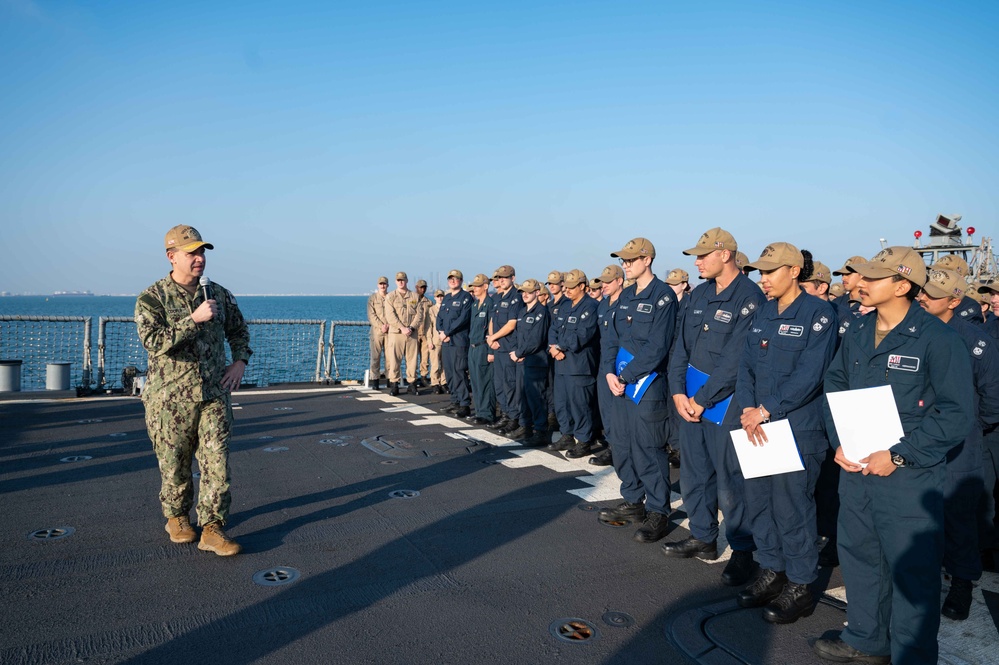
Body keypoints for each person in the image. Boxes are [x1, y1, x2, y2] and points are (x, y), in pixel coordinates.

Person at [813, 247, 973, 665]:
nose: (860, 283)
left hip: (908, 478)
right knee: (861, 558)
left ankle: (911, 656)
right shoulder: (859, 331)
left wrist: (901, 455)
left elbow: (957, 413)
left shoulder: (939, 339)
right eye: (860, 275)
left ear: (902, 285)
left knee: (911, 574)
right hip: (858, 469)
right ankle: (866, 639)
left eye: (872, 277)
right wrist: (839, 440)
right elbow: (835, 385)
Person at [734, 243, 838, 624]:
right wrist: (748, 408)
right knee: (760, 503)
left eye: (770, 272)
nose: (763, 279)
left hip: (795, 428)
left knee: (792, 508)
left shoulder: (818, 314)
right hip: (756, 425)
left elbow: (811, 375)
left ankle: (800, 584)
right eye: (760, 273)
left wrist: (765, 410)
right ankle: (772, 571)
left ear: (794, 271)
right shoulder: (762, 312)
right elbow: (745, 366)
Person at [136, 225, 252, 557]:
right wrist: (193, 319)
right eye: (192, 253)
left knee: (217, 462)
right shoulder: (152, 298)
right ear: (172, 257)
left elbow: (239, 330)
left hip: (213, 394)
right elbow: (153, 342)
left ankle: (213, 528)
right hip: (169, 400)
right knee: (175, 464)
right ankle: (176, 517)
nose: (199, 258)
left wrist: (240, 362)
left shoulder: (217, 293)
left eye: (202, 252)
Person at [664, 227, 765, 587]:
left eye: (703, 255)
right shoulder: (699, 294)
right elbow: (680, 346)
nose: (697, 261)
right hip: (689, 400)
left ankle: (742, 551)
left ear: (725, 254)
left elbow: (736, 359)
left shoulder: (749, 298)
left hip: (726, 402)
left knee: (731, 480)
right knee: (694, 470)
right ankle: (704, 536)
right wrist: (677, 392)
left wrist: (701, 399)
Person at [916, 268, 999, 620]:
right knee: (919, 512)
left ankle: (962, 583)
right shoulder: (911, 332)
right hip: (918, 436)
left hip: (961, 443)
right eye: (922, 292)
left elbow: (992, 397)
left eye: (932, 294)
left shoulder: (976, 341)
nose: (922, 297)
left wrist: (967, 428)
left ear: (954, 301)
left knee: (959, 515)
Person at [599, 237, 677, 544]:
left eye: (630, 260)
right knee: (623, 442)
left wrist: (627, 374)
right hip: (619, 382)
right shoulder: (625, 295)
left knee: (648, 446)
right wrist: (609, 371)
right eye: (623, 260)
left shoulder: (663, 296)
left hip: (648, 384)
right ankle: (633, 499)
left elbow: (658, 346)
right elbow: (611, 339)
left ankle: (658, 510)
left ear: (647, 260)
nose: (625, 265)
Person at [548, 269, 600, 458]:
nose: (567, 290)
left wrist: (560, 346)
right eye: (566, 287)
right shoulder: (565, 306)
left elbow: (582, 334)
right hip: (561, 364)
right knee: (562, 403)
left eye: (571, 287)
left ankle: (584, 440)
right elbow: (553, 328)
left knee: (580, 405)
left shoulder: (591, 306)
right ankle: (567, 434)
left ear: (582, 287)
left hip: (579, 365)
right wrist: (553, 347)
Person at [510, 279, 552, 445]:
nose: (525, 294)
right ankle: (525, 425)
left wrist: (520, 352)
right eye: (523, 292)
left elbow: (536, 339)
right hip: (523, 361)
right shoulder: (522, 312)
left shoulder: (541, 312)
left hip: (535, 361)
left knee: (536, 397)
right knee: (524, 395)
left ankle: (541, 431)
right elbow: (517, 335)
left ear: (537, 292)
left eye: (528, 291)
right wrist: (515, 351)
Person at [590, 264, 625, 467]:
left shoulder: (626, 303)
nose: (603, 285)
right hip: (605, 363)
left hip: (621, 364)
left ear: (619, 281)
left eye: (608, 281)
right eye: (602, 281)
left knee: (618, 410)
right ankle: (612, 446)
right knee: (606, 408)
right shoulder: (603, 306)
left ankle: (618, 449)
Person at [487, 265, 523, 434]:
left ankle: (514, 417)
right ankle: (505, 414)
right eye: (499, 277)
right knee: (499, 384)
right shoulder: (499, 298)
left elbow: (511, 324)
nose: (501, 280)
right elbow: (493, 321)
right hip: (498, 347)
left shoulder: (516, 297)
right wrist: (490, 338)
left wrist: (494, 338)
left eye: (505, 277)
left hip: (509, 347)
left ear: (513, 278)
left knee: (510, 385)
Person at [437, 270, 474, 418]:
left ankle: (464, 404)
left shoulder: (466, 298)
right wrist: (440, 331)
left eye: (456, 279)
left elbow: (463, 319)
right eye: (450, 279)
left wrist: (447, 332)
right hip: (446, 342)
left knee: (459, 371)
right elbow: (439, 317)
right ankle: (455, 400)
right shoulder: (446, 298)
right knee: (450, 372)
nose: (453, 281)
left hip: (458, 341)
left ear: (461, 280)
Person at [385, 272, 421, 396]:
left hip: (411, 333)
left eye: (403, 280)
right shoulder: (390, 297)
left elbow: (419, 314)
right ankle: (394, 384)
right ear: (396, 282)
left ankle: (412, 384)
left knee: (412, 360)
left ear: (406, 281)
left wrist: (411, 327)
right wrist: (402, 328)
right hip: (396, 333)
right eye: (398, 280)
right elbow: (390, 315)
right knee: (394, 359)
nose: (401, 282)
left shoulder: (415, 296)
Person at [467, 274, 496, 425]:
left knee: (485, 381)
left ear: (485, 286)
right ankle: (479, 411)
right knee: (476, 381)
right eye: (474, 286)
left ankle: (487, 413)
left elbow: (491, 328)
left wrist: (491, 351)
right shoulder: (475, 304)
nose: (475, 288)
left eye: (478, 286)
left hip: (484, 347)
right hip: (473, 347)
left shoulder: (490, 304)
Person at [367, 276, 390, 389]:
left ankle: (390, 379)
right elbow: (371, 315)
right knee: (375, 357)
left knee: (390, 357)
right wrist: (381, 326)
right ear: (378, 285)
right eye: (381, 284)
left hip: (390, 331)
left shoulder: (391, 297)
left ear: (387, 285)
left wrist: (389, 325)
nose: (382, 286)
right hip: (377, 332)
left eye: (384, 284)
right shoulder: (373, 298)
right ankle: (375, 380)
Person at [425, 290, 446, 393]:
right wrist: (429, 341)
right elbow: (428, 327)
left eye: (441, 296)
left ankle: (444, 381)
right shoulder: (431, 310)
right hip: (435, 340)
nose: (440, 298)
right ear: (435, 298)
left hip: (445, 340)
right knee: (435, 364)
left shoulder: (447, 309)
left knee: (445, 363)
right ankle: (435, 383)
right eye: (438, 296)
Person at [414, 279, 432, 387]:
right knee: (413, 357)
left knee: (425, 357)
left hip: (425, 332)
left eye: (424, 287)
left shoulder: (429, 302)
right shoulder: (411, 300)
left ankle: (424, 377)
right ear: (416, 287)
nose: (422, 289)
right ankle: (413, 377)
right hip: (415, 332)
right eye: (421, 287)